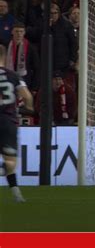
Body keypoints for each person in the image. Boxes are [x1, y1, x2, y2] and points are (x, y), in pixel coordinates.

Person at [0, 44, 34, 202]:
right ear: (4, 57)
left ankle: (16, 194)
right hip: (7, 121)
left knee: (9, 162)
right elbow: (26, 96)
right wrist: (29, 107)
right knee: (10, 161)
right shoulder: (13, 75)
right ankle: (16, 195)